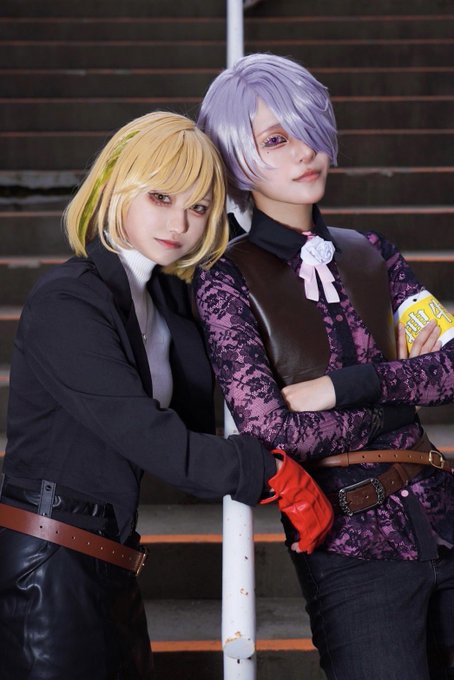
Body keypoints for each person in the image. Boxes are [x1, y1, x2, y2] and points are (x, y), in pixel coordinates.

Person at [0, 110, 325, 680]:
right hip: (47, 568)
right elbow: (150, 436)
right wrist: (268, 470)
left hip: (111, 561)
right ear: (115, 186)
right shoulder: (68, 300)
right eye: (160, 197)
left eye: (198, 208)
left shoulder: (160, 300)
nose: (179, 223)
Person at [194, 53, 454, 680]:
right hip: (350, 549)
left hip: (444, 513)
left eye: (308, 129)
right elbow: (272, 430)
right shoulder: (225, 280)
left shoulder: (373, 253)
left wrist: (346, 387)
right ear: (236, 159)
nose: (304, 151)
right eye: (275, 140)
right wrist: (400, 402)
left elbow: (450, 367)